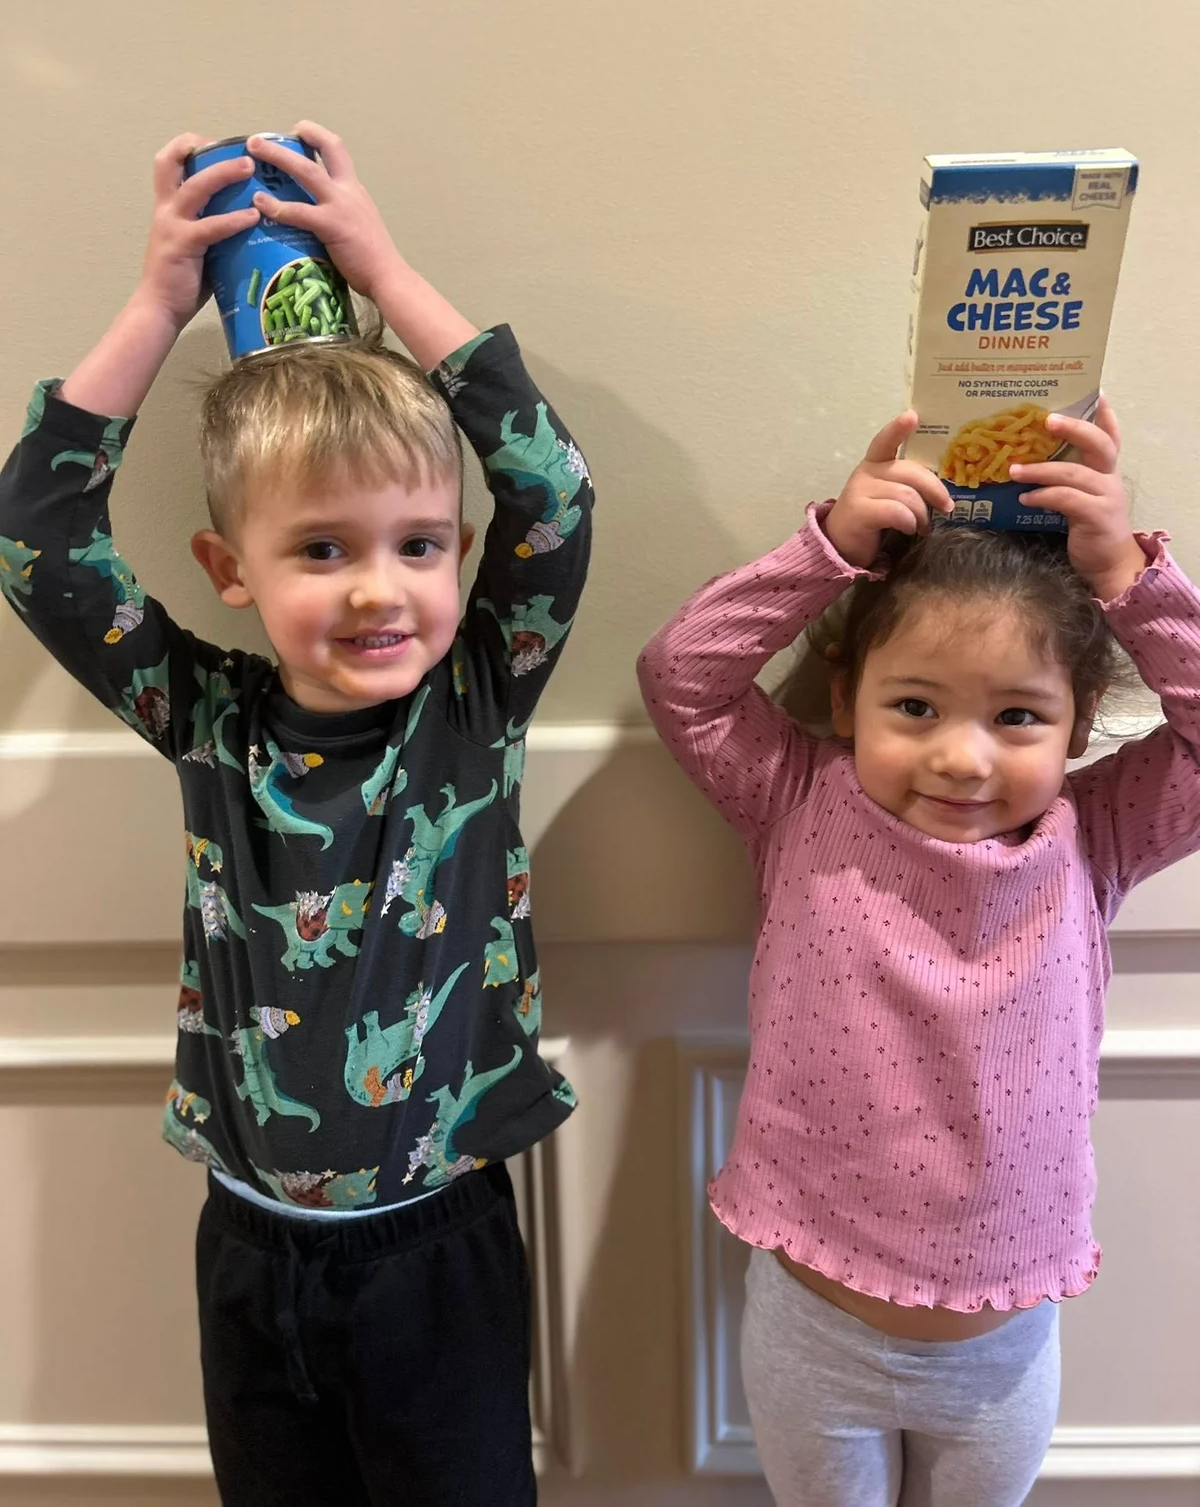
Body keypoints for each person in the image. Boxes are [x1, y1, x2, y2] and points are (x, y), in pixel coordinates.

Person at [0, 122, 592, 1506]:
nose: (380, 588)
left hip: (436, 1246)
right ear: (231, 569)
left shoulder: (477, 700)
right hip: (251, 1247)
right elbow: (37, 532)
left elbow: (553, 491)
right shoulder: (206, 715)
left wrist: (387, 277)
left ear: (458, 552)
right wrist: (158, 302)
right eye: (322, 549)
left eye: (418, 544)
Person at [638, 405, 1200, 1506]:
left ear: (1080, 720)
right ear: (846, 697)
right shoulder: (797, 799)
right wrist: (829, 550)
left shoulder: (1095, 835)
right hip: (812, 1332)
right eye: (914, 705)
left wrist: (1131, 580)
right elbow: (682, 677)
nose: (962, 757)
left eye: (1018, 717)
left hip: (1001, 1356)